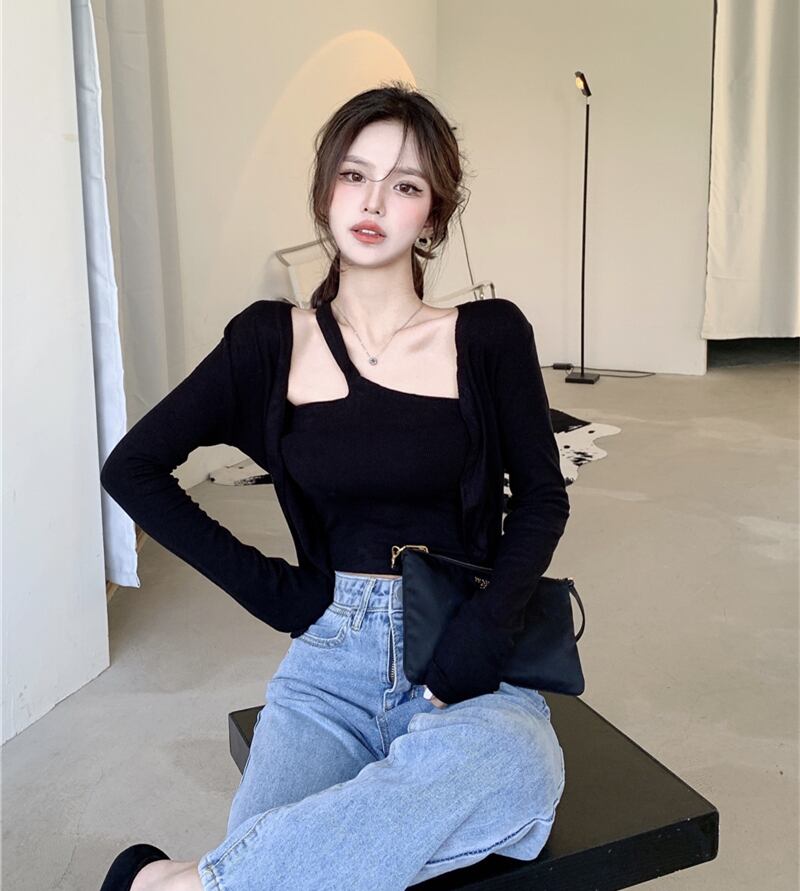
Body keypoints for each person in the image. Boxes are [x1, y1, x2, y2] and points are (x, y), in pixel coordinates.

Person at [99, 82, 570, 891]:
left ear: (433, 213)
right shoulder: (269, 341)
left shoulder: (490, 336)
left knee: (518, 764)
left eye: (405, 184)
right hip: (331, 664)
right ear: (326, 191)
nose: (374, 201)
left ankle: (174, 884)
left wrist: (483, 635)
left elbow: (541, 497)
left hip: (463, 648)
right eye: (355, 175)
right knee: (298, 857)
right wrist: (277, 592)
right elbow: (132, 468)